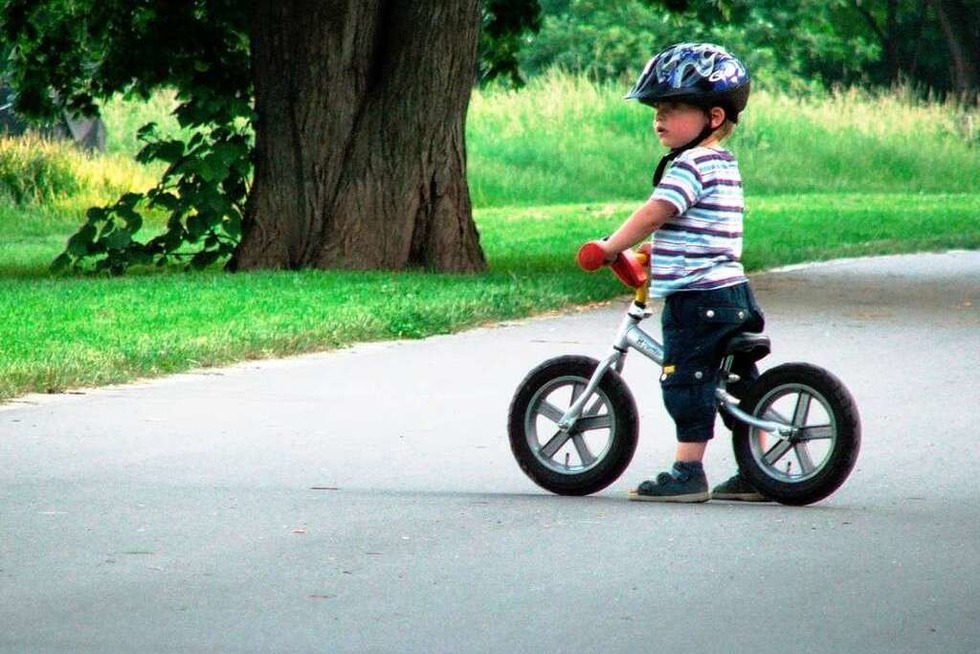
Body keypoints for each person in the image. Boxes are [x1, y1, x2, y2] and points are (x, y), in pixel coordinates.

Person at [591, 42, 768, 503]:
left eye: (672, 108)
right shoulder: (723, 165)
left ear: (712, 117)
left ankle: (688, 471)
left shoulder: (689, 165)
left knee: (687, 379)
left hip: (699, 300)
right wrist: (658, 253)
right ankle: (761, 470)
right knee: (740, 386)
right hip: (734, 296)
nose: (659, 119)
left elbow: (656, 212)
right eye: (656, 110)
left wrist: (611, 247)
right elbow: (699, 228)